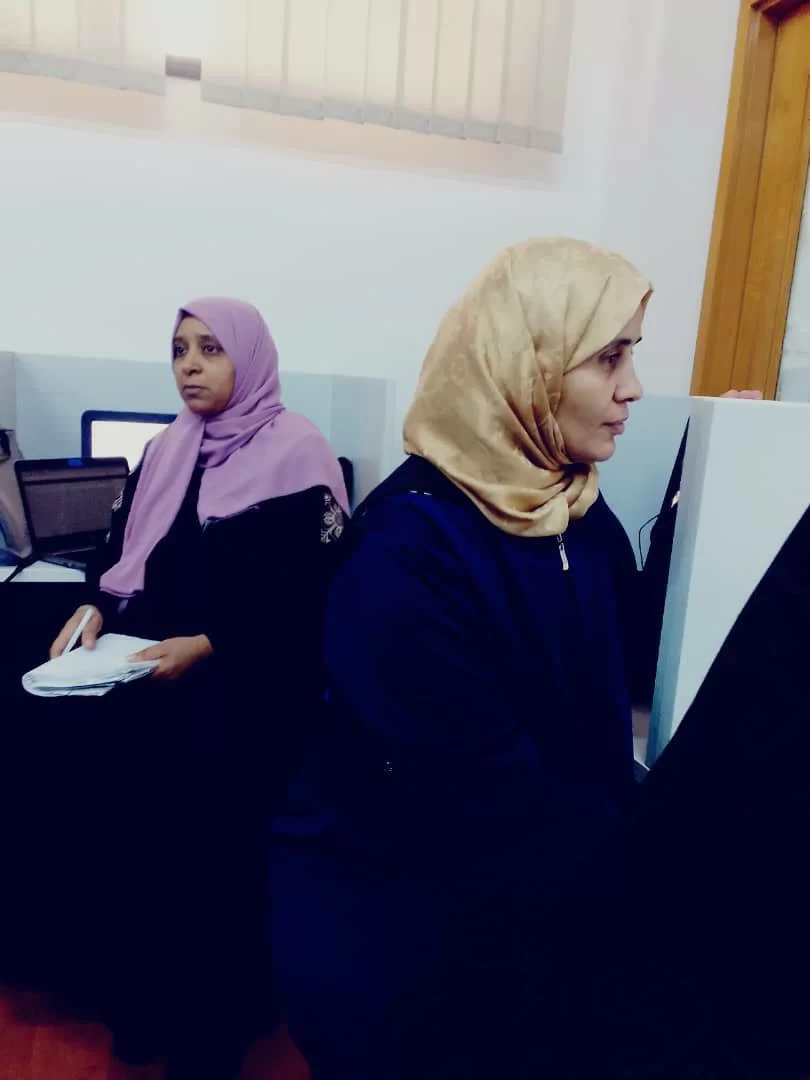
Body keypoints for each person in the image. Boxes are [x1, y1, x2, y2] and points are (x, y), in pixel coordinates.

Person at [270, 238, 654, 1078]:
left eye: (633, 354)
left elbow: (629, 658)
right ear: (526, 366)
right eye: (609, 357)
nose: (633, 387)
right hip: (397, 923)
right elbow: (482, 786)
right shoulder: (409, 544)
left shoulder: (576, 512)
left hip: (516, 888)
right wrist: (657, 858)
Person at [2, 297, 348, 1078]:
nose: (190, 365)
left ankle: (210, 1029)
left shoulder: (299, 456)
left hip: (241, 702)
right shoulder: (166, 449)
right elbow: (116, 552)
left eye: (210, 349)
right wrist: (94, 604)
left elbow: (314, 598)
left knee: (209, 865)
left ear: (250, 358)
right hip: (148, 679)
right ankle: (141, 1007)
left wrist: (212, 644)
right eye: (180, 349)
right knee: (134, 844)